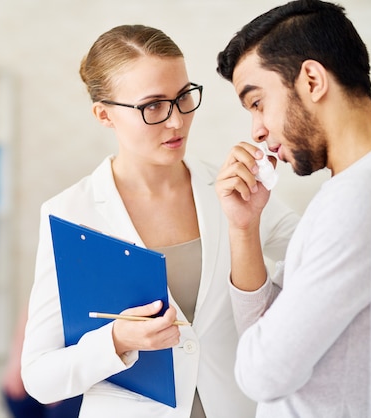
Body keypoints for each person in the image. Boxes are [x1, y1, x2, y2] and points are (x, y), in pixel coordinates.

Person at [21, 24, 299, 418]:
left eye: (183, 97)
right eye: (153, 105)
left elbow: (322, 253)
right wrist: (116, 340)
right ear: (104, 115)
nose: (176, 121)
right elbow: (39, 377)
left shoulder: (237, 189)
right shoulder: (70, 213)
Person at [215, 1, 371, 417]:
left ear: (311, 79)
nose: (258, 131)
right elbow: (265, 333)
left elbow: (262, 375)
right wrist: (243, 228)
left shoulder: (358, 200)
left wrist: (260, 353)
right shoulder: (345, 193)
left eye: (257, 102)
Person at [2, 305, 82, 418]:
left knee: (62, 411)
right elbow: (32, 302)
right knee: (16, 397)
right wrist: (16, 360)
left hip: (76, 365)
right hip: (50, 355)